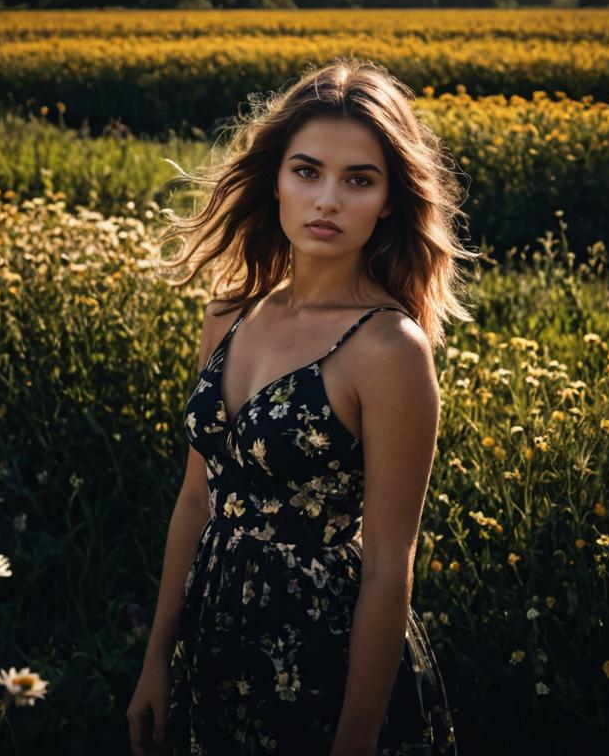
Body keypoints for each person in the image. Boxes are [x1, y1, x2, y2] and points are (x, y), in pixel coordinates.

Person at [128, 57, 479, 756]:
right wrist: (156, 659)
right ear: (276, 179)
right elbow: (197, 500)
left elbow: (387, 563)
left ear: (388, 201)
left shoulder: (389, 350)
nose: (327, 200)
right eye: (307, 171)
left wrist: (354, 740)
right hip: (215, 639)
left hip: (322, 660)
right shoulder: (229, 315)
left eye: (359, 180)